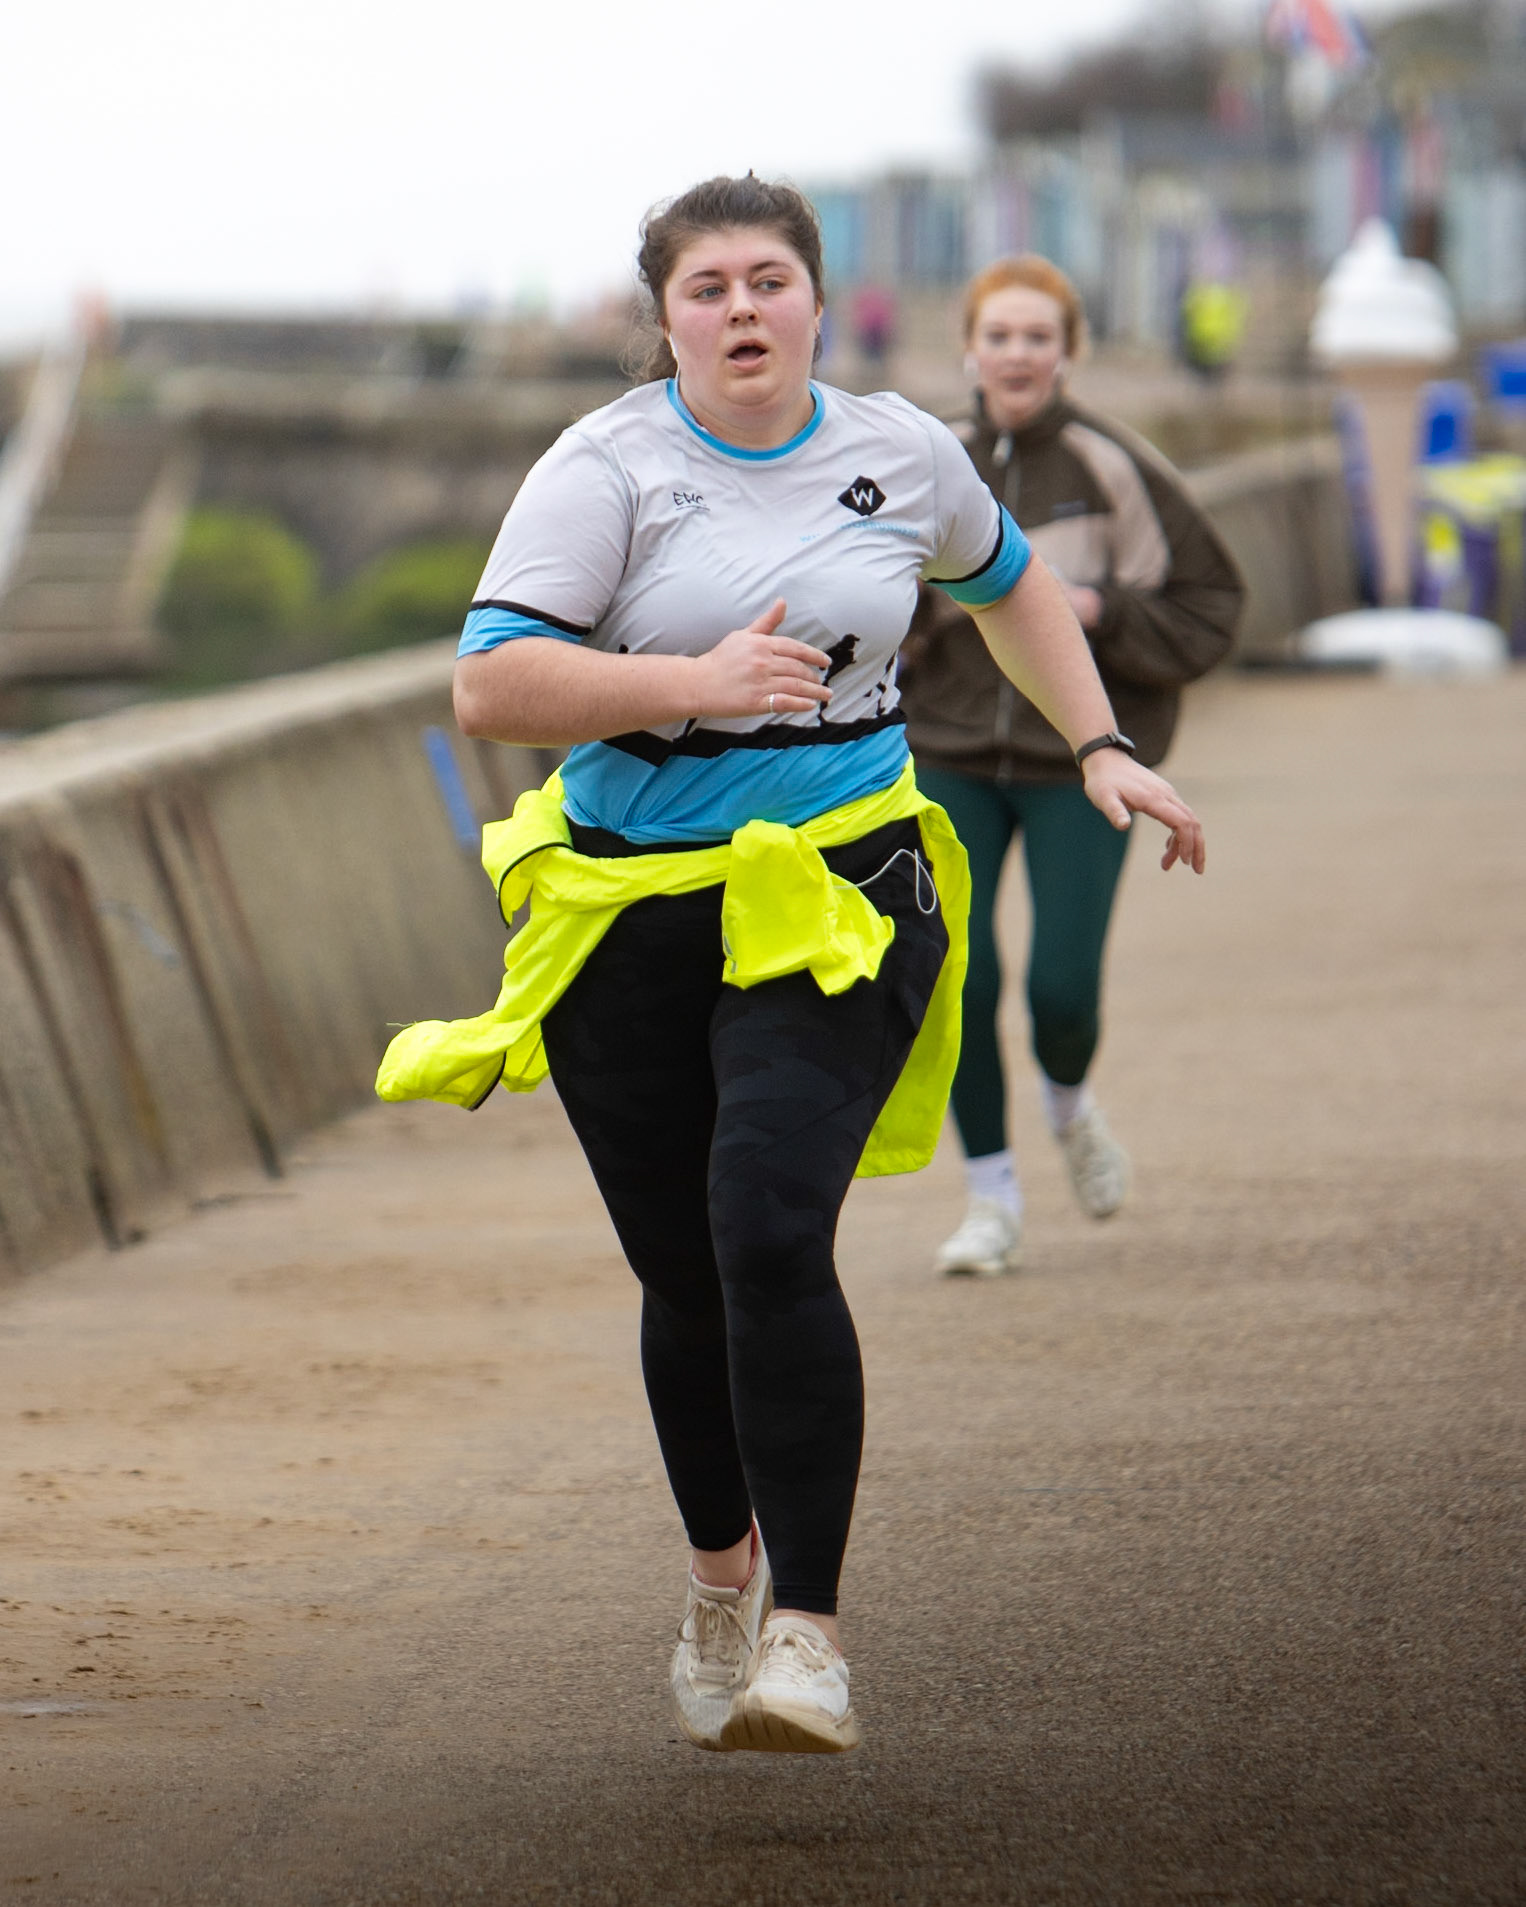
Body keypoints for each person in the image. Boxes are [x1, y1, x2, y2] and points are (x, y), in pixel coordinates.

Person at [378, 182, 1204, 1755]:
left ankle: (807, 1635)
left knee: (765, 1226)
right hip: (630, 906)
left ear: (821, 302)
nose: (742, 309)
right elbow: (491, 684)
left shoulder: (901, 451)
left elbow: (1010, 583)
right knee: (684, 1272)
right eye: (708, 287)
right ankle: (719, 1579)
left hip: (840, 886)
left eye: (769, 280)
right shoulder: (605, 465)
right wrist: (686, 679)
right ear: (666, 317)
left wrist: (1099, 741)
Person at [898, 255, 1243, 1278]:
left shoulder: (1113, 464)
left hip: (1074, 765)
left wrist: (1094, 609)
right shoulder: (926, 461)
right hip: (944, 753)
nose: (1016, 354)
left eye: (1037, 337)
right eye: (997, 335)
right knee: (957, 975)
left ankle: (1069, 1104)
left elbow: (1211, 607)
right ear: (968, 348)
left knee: (1059, 988)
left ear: (1067, 351)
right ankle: (990, 1196)